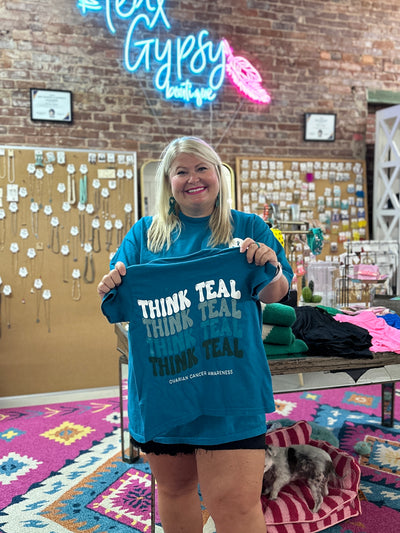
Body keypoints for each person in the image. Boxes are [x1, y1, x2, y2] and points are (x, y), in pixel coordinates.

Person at [97, 136, 293, 533]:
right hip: (165, 392)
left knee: (237, 507)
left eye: (202, 168)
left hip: (230, 390)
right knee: (175, 492)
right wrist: (111, 286)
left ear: (218, 173)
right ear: (167, 182)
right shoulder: (145, 235)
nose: (193, 178)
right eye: (181, 171)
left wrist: (269, 265)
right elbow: (116, 303)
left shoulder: (249, 228)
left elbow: (275, 292)